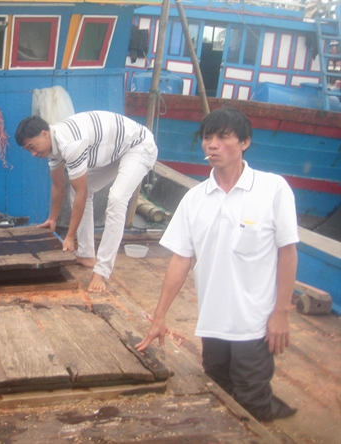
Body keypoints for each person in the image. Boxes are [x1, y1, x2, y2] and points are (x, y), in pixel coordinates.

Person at [136, 107, 299, 422]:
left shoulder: (272, 189)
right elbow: (181, 260)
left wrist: (280, 313)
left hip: (255, 322)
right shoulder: (195, 199)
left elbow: (287, 253)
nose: (212, 145)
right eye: (207, 138)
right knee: (217, 390)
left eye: (223, 137)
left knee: (252, 398)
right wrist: (159, 317)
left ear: (245, 142)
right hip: (212, 322)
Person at [15, 111, 158, 293]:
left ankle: (101, 271)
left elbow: (80, 192)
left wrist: (69, 236)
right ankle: (86, 255)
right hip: (118, 150)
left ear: (44, 134)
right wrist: (53, 218)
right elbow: (58, 185)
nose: (33, 153)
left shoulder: (70, 144)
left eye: (32, 147)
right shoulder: (52, 146)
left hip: (139, 146)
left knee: (116, 199)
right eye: (29, 150)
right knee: (82, 189)